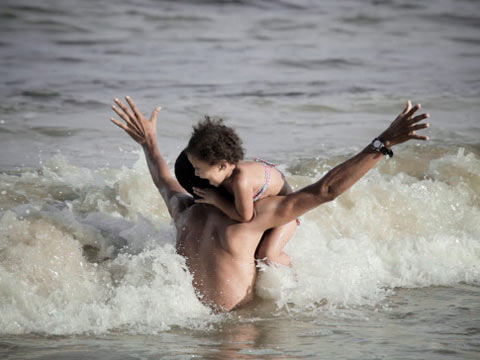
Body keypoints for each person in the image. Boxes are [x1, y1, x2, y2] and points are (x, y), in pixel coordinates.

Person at [110, 96, 430, 312]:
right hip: (239, 328)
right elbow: (326, 190)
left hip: (196, 329)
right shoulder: (247, 222)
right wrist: (382, 143)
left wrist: (149, 142)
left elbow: (163, 179)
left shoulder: (180, 210)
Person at [184, 116, 297, 266]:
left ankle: (294, 278)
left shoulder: (241, 181)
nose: (196, 174)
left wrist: (216, 200)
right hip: (269, 212)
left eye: (198, 169)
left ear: (222, 166)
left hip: (288, 214)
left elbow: (245, 216)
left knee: (267, 254)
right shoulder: (227, 176)